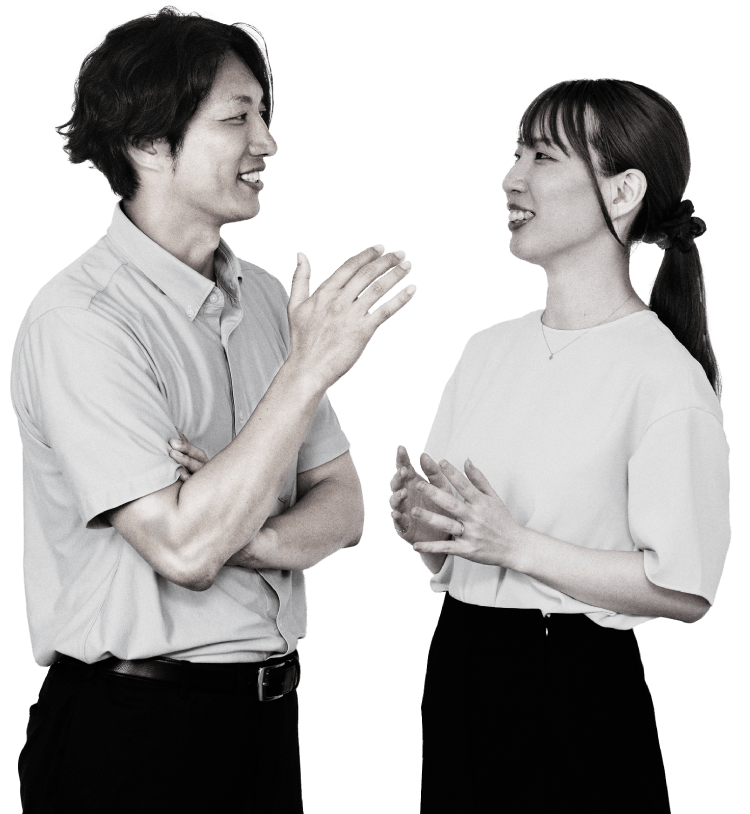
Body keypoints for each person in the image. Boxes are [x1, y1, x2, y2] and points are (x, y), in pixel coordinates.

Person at [10, 5, 415, 812]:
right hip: (131, 734)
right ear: (148, 143)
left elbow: (345, 508)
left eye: (264, 115)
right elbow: (186, 547)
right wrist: (306, 372)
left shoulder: (264, 298)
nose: (267, 143)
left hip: (263, 723)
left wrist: (251, 535)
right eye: (237, 118)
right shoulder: (82, 321)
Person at [388, 77, 731, 813]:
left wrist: (515, 545)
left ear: (622, 191)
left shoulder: (664, 375)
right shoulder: (485, 350)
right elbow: (462, 550)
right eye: (516, 155)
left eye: (542, 157)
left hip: (573, 687)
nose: (512, 179)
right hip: (460, 662)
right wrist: (428, 529)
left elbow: (686, 587)